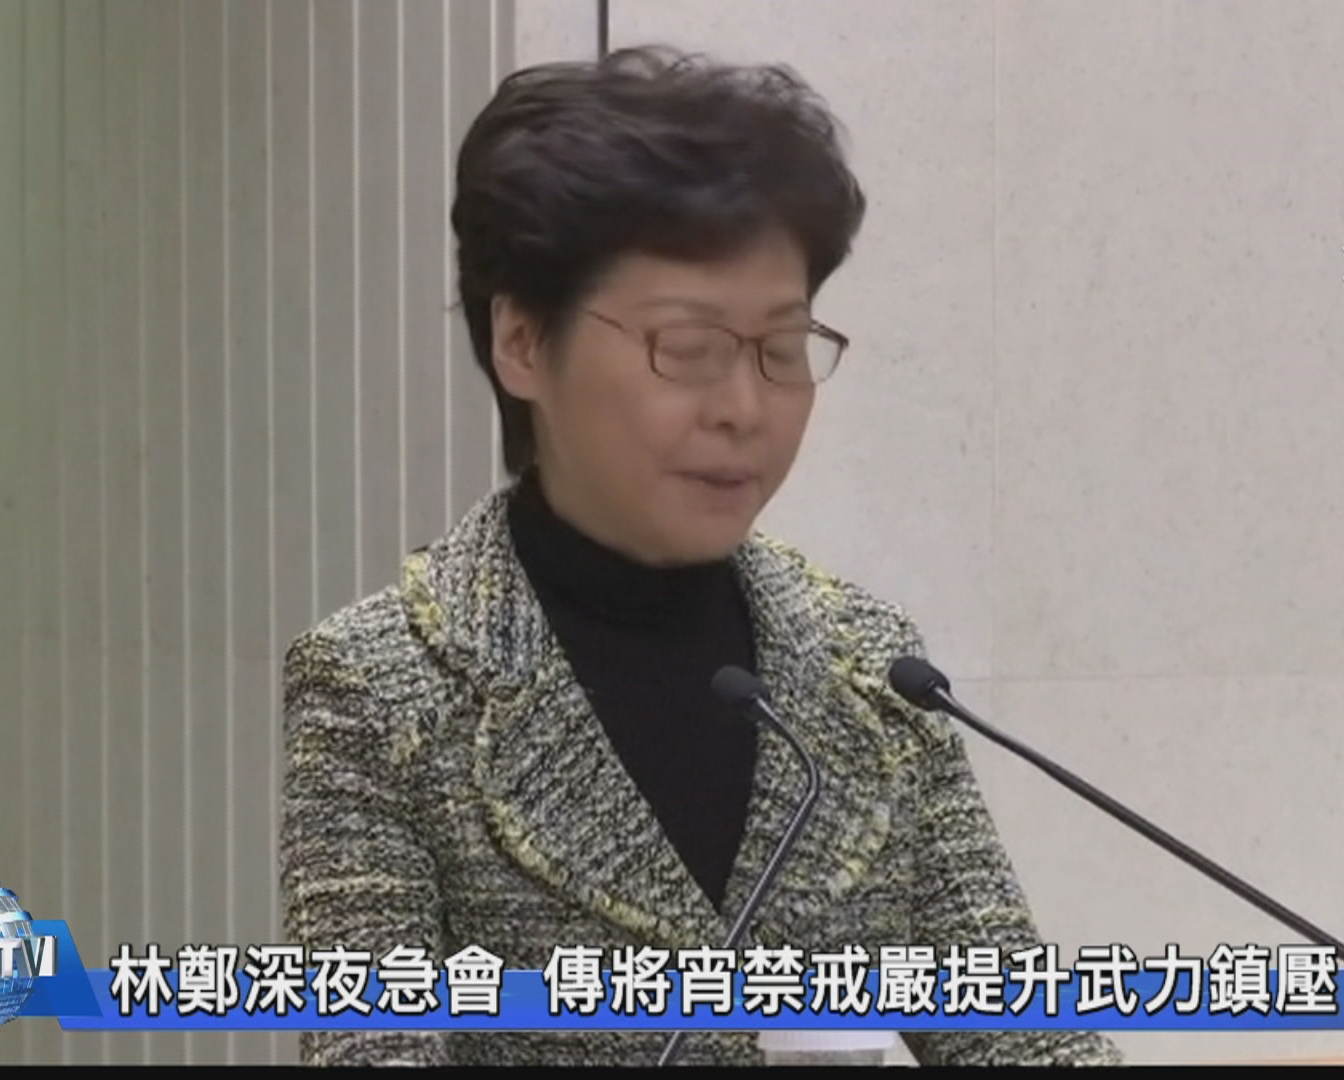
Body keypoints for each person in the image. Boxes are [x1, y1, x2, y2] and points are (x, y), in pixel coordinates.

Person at [279, 45, 1122, 1067]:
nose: (745, 408)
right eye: (688, 349)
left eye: (782, 349)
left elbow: (1024, 1040)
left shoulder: (871, 670)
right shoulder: (380, 686)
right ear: (524, 343)